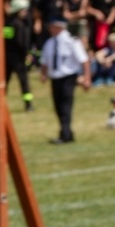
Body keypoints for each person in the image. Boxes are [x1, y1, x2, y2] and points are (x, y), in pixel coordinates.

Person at [40, 16, 91, 144]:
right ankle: (67, 132)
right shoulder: (50, 43)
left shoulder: (71, 41)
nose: (50, 29)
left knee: (65, 106)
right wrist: (44, 74)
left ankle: (65, 135)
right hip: (55, 77)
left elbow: (84, 60)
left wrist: (86, 78)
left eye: (52, 27)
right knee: (58, 106)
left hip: (68, 77)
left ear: (59, 27)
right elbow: (45, 61)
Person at [4, 0, 34, 111]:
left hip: (7, 57)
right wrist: (27, 53)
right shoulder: (20, 24)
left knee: (5, 81)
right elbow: (22, 42)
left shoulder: (7, 23)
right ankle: (28, 104)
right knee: (24, 81)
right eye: (24, 10)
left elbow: (5, 40)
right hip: (18, 58)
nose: (26, 12)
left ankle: (2, 103)